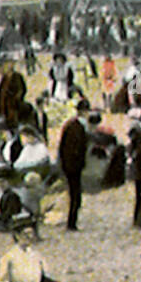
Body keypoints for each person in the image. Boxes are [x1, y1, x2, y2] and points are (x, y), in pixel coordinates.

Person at [58, 98, 89, 232]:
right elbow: (80, 149)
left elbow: (61, 146)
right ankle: (72, 222)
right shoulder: (80, 128)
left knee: (73, 193)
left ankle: (72, 220)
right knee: (75, 194)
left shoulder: (69, 124)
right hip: (74, 166)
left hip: (67, 164)